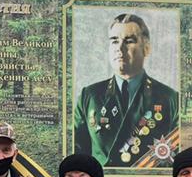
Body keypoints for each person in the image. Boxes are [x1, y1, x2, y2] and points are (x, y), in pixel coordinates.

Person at [73, 13, 179, 167]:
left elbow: (176, 157)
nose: (119, 48)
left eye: (129, 41)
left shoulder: (168, 98)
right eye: (114, 41)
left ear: (146, 49)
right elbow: (77, 150)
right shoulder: (90, 95)